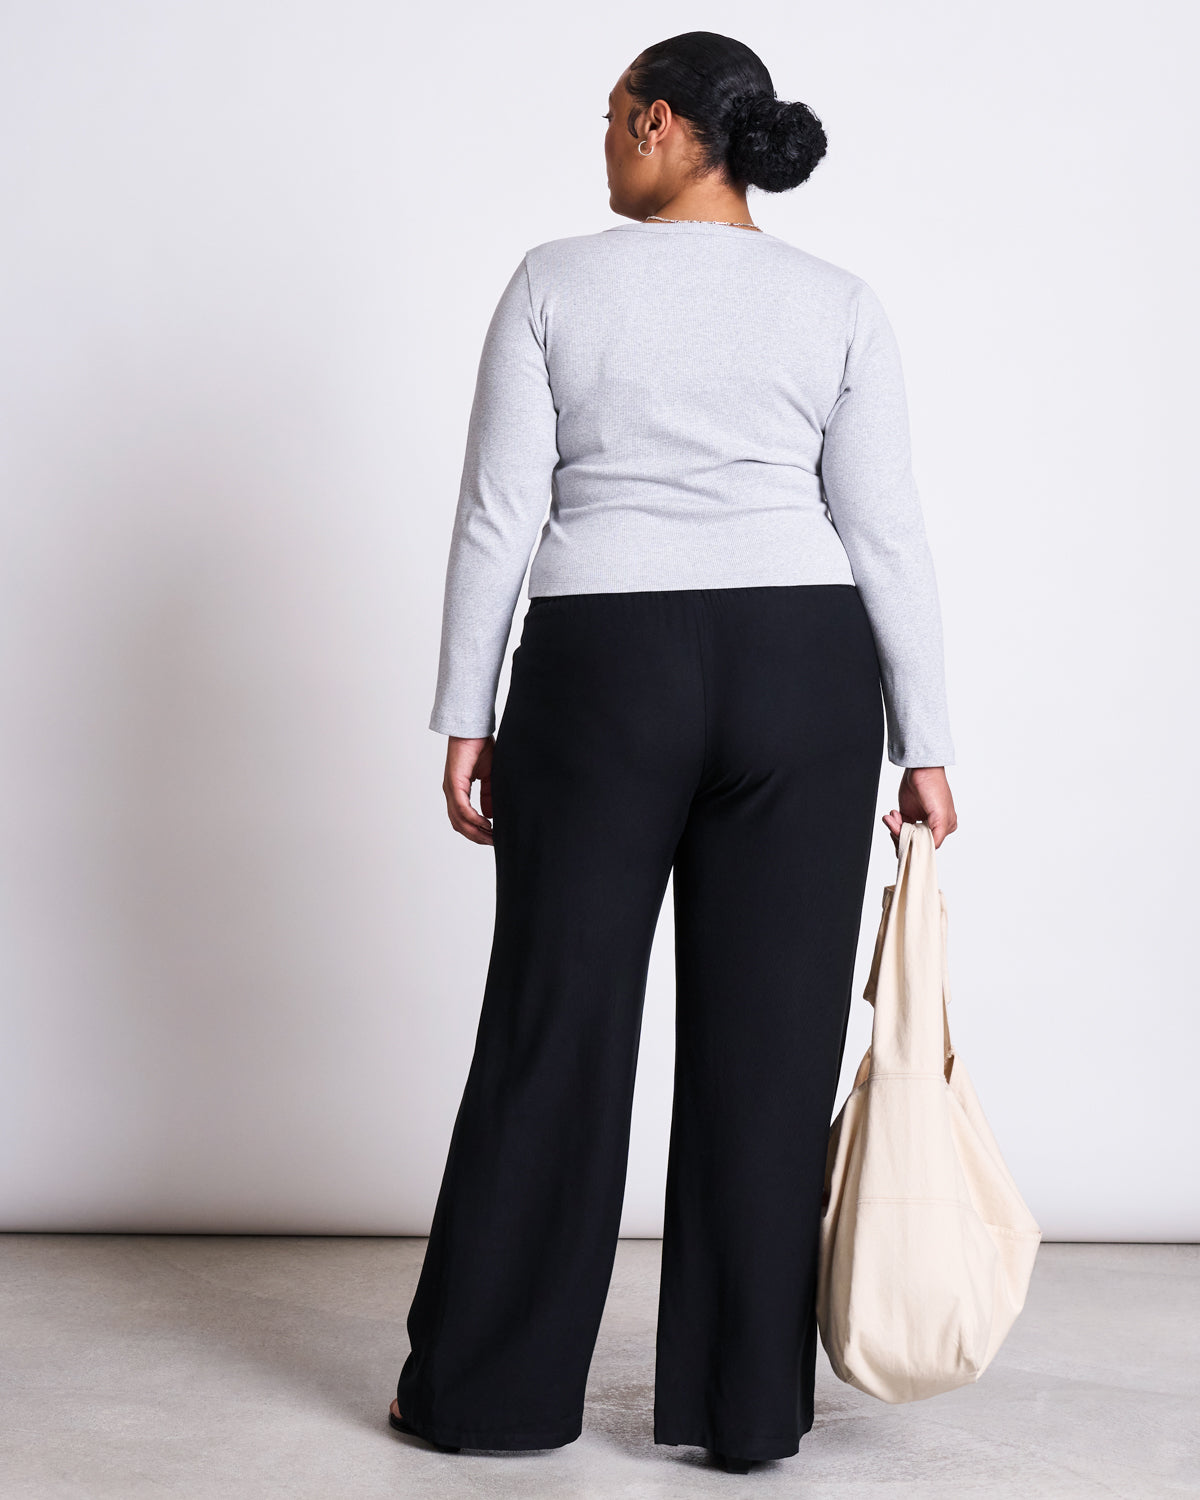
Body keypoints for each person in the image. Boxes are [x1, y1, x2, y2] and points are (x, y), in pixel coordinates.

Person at [389, 29, 959, 1475]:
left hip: (605, 669)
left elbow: (496, 515)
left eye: (607, 118)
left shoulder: (553, 283)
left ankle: (487, 1399)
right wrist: (930, 739)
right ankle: (740, 1414)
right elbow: (884, 529)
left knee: (554, 1026)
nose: (599, 143)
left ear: (657, 125)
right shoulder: (836, 302)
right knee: (769, 1050)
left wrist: (469, 711)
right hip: (806, 669)